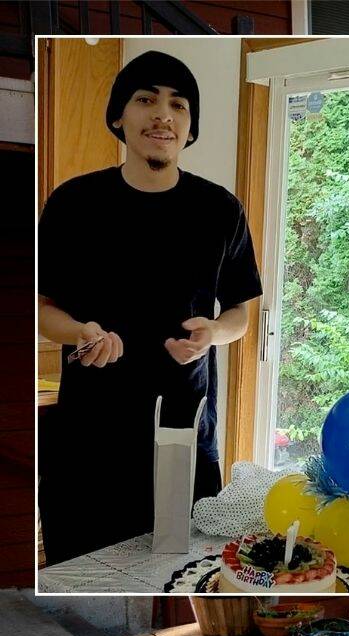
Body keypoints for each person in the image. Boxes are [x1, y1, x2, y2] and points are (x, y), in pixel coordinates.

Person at [38, 51, 262, 565]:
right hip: (89, 438)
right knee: (86, 572)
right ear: (119, 116)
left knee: (178, 568)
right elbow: (44, 308)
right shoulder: (74, 203)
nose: (163, 115)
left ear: (189, 127)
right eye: (145, 99)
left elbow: (239, 315)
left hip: (181, 432)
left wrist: (213, 334)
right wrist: (81, 332)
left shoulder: (220, 210)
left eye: (178, 105)